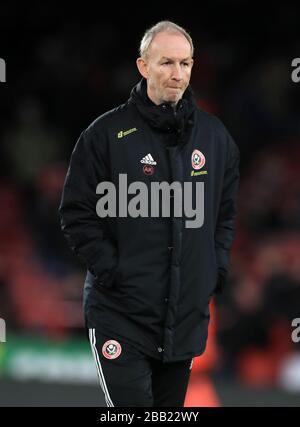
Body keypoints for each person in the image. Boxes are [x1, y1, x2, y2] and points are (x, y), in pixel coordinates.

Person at [59, 21, 240, 407]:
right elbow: (76, 213)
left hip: (184, 320)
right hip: (119, 315)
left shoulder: (215, 137)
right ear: (143, 67)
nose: (178, 74)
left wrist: (213, 270)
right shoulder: (105, 134)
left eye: (186, 63)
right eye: (167, 63)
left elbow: (224, 215)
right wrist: (113, 270)